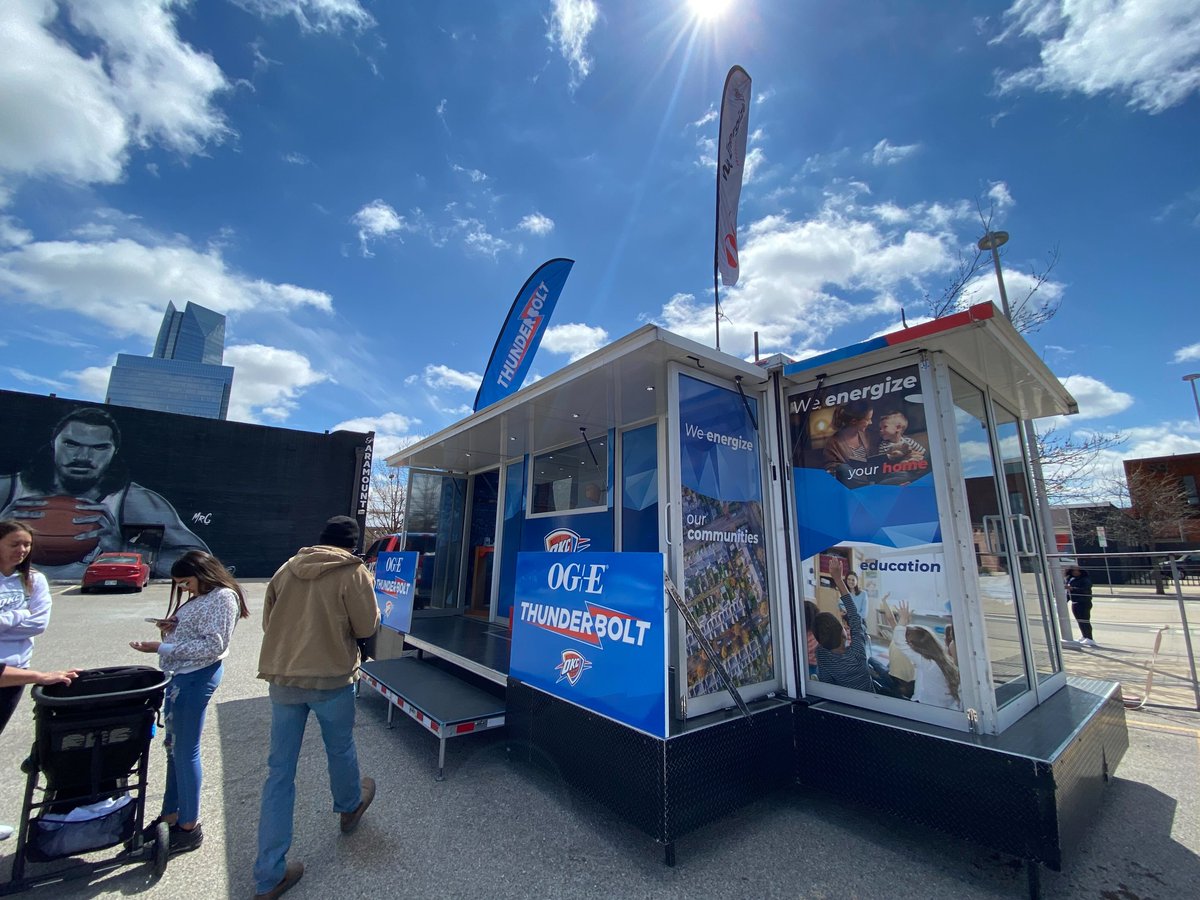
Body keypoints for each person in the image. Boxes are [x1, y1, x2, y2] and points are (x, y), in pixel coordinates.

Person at [253, 516, 380, 900]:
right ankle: (348, 807)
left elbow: (268, 623)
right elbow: (366, 626)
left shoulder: (285, 569)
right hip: (331, 680)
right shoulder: (353, 573)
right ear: (352, 545)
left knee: (279, 774)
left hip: (284, 678)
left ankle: (268, 874)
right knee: (339, 748)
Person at [130, 550, 248, 854]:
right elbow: (198, 634)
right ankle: (170, 815)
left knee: (185, 751)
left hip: (195, 678)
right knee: (174, 749)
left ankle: (188, 826)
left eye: (186, 582)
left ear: (203, 573)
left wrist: (163, 645)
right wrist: (172, 628)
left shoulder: (222, 597)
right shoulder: (204, 596)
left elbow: (214, 645)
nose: (184, 589)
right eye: (180, 584)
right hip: (181, 676)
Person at [0, 407, 209, 579]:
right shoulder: (7, 491)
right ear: (53, 444)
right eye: (71, 444)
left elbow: (202, 563)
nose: (83, 456)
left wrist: (122, 548)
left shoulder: (135, 501)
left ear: (113, 451)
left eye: (99, 448)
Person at [0, 519, 59, 841]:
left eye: (26, 545)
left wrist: (9, 621)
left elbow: (37, 624)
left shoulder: (33, 581)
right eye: (14, 544)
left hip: (14, 673)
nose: (22, 551)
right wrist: (18, 615)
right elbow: (27, 619)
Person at [885, 601, 962, 710]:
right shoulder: (943, 658)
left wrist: (902, 619)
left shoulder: (926, 662)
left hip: (923, 706)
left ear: (912, 645)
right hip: (942, 705)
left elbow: (899, 641)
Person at [813, 557, 874, 692]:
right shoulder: (858, 652)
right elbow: (855, 617)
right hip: (870, 700)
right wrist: (838, 579)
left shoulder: (821, 653)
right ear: (844, 634)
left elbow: (826, 682)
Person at [823, 401, 876, 485]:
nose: (870, 422)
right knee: (842, 468)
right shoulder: (833, 442)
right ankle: (868, 483)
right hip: (850, 484)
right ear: (854, 421)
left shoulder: (867, 436)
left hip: (871, 475)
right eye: (867, 419)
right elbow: (830, 468)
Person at [1066, 566, 1096, 647]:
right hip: (1075, 602)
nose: (1075, 572)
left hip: (1084, 602)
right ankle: (1084, 636)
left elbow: (1085, 589)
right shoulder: (1071, 579)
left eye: (1077, 571)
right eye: (1073, 571)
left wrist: (1073, 589)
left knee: (1085, 620)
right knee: (1079, 620)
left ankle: (1090, 638)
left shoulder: (1085, 579)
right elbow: (1068, 592)